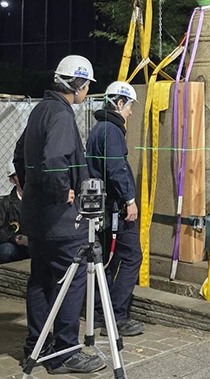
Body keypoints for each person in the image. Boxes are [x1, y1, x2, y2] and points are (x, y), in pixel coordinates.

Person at [14, 55, 105, 375]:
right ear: (78, 84)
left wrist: (29, 186)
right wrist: (61, 191)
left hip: (36, 218)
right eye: (87, 85)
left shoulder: (40, 110)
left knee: (40, 280)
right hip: (62, 221)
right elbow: (55, 160)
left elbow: (19, 154)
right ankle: (64, 352)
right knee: (72, 280)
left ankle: (36, 347)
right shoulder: (62, 115)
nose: (87, 92)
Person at [86, 81, 144, 338]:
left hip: (103, 208)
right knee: (131, 257)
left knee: (107, 262)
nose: (130, 112)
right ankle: (117, 317)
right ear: (119, 103)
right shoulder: (112, 131)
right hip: (115, 208)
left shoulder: (99, 128)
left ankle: (101, 312)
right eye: (129, 106)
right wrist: (129, 200)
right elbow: (116, 168)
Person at [0, 160, 29, 268]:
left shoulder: (39, 199)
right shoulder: (6, 203)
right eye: (17, 174)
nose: (22, 177)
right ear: (12, 180)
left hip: (36, 244)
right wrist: (16, 238)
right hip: (16, 246)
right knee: (6, 251)